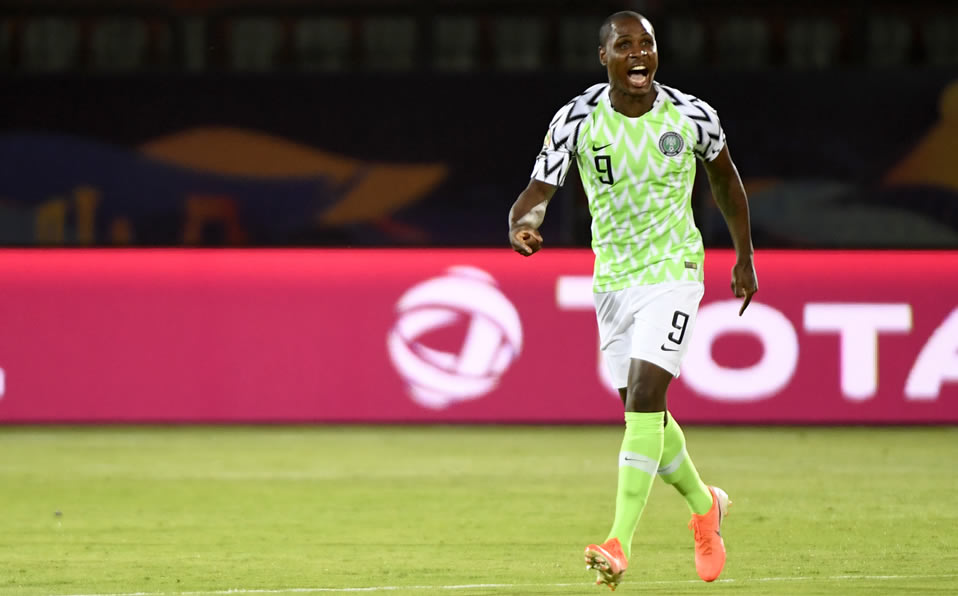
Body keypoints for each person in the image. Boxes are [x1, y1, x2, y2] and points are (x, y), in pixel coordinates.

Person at [507, 10, 758, 591]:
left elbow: (726, 181)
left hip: (675, 270)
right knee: (644, 417)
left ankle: (618, 542)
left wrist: (743, 257)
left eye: (646, 43)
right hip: (614, 281)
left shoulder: (692, 116)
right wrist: (522, 225)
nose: (638, 53)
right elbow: (537, 191)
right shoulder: (576, 119)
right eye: (625, 45)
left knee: (646, 397)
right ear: (604, 56)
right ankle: (706, 507)